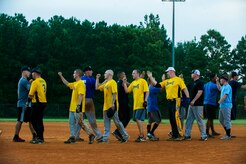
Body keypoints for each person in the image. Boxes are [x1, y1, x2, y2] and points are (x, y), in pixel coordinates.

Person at [147, 67, 189, 141]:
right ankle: (174, 135)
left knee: (176, 117)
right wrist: (150, 77)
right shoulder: (167, 81)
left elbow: (184, 88)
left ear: (172, 71)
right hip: (169, 101)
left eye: (168, 72)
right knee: (171, 118)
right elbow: (156, 85)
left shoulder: (178, 79)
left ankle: (180, 135)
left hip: (176, 100)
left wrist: (188, 97)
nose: (167, 73)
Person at [58, 70, 95, 144]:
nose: (73, 74)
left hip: (78, 106)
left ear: (77, 74)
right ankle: (72, 137)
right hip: (72, 107)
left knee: (81, 122)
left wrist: (78, 106)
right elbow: (67, 84)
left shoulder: (81, 83)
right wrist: (61, 76)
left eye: (74, 73)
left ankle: (91, 135)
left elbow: (81, 95)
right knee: (71, 123)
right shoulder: (75, 83)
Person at [96, 70, 129, 143]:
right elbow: (97, 87)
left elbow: (114, 93)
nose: (104, 74)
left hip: (112, 106)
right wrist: (97, 78)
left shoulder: (113, 82)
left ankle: (125, 136)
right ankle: (105, 139)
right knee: (106, 123)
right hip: (105, 106)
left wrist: (113, 103)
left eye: (105, 73)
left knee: (117, 122)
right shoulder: (106, 83)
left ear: (110, 74)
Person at [74, 66, 103, 142]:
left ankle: (76, 135)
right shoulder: (92, 79)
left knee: (80, 119)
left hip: (81, 100)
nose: (92, 72)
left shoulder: (81, 79)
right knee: (92, 119)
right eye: (90, 71)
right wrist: (102, 81)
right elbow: (98, 86)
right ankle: (99, 135)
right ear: (87, 71)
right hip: (89, 100)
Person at [123, 69, 149, 142]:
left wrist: (145, 100)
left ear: (138, 74)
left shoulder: (143, 81)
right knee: (136, 119)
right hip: (135, 105)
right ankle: (142, 135)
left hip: (141, 103)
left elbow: (147, 91)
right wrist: (124, 83)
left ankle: (142, 136)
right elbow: (127, 91)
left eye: (133, 73)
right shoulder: (133, 83)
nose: (132, 74)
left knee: (137, 118)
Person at [13, 66, 36, 142]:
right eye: (28, 71)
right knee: (20, 120)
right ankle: (16, 136)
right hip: (23, 104)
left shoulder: (23, 80)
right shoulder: (24, 81)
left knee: (30, 120)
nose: (29, 73)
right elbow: (31, 90)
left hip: (24, 104)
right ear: (24, 72)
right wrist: (34, 83)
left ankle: (34, 135)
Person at [184, 70, 207, 141]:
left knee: (199, 120)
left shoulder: (200, 83)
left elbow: (200, 92)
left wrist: (193, 100)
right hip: (191, 105)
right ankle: (187, 135)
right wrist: (181, 80)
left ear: (196, 74)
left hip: (198, 104)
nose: (191, 74)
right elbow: (184, 87)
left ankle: (204, 135)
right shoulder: (192, 83)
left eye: (192, 73)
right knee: (189, 120)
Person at [27, 68, 47, 144]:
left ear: (35, 74)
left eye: (32, 73)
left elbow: (30, 94)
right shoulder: (43, 81)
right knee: (39, 120)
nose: (32, 74)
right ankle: (40, 137)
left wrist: (27, 103)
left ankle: (39, 137)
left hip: (37, 103)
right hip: (43, 102)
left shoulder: (35, 82)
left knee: (33, 119)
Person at [112, 71, 131, 141]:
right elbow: (129, 86)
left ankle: (119, 133)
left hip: (119, 103)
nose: (125, 75)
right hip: (124, 103)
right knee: (127, 118)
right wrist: (125, 81)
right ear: (121, 76)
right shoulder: (122, 83)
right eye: (124, 74)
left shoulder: (117, 82)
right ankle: (117, 132)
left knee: (122, 119)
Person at [204, 73, 221, 138]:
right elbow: (220, 89)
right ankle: (207, 132)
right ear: (212, 78)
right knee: (209, 118)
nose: (217, 78)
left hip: (206, 102)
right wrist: (217, 81)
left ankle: (213, 131)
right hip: (211, 103)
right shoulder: (214, 85)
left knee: (211, 118)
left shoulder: (206, 85)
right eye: (216, 77)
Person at [146, 76, 161, 141]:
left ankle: (148, 135)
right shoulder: (152, 88)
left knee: (149, 122)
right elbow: (161, 88)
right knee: (158, 120)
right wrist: (163, 80)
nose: (155, 81)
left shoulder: (149, 88)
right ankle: (151, 133)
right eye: (153, 80)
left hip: (149, 107)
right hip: (153, 107)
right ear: (150, 81)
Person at [218, 74, 232, 140]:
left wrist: (219, 101)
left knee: (227, 120)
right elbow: (219, 88)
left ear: (224, 79)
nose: (220, 80)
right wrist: (217, 81)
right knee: (221, 119)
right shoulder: (223, 86)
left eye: (221, 79)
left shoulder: (228, 87)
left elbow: (225, 96)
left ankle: (228, 135)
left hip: (226, 105)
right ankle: (227, 132)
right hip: (222, 106)